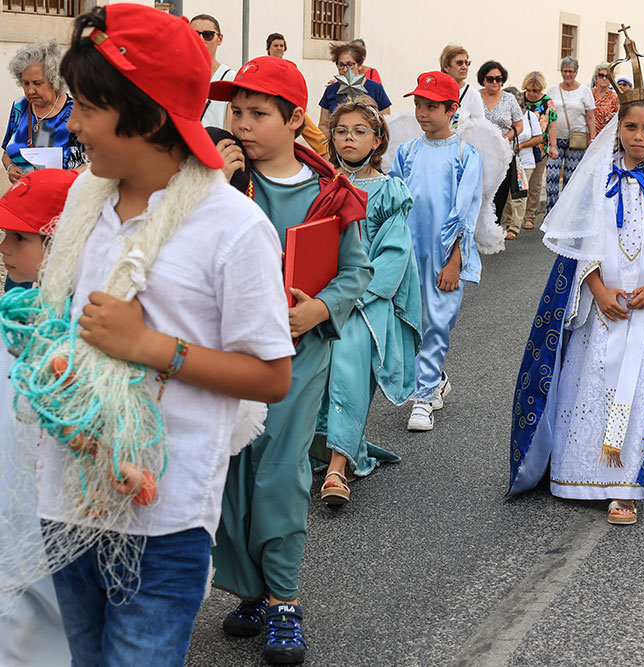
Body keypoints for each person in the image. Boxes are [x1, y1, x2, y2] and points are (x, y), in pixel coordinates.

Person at [14, 5, 295, 665]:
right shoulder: (88, 200)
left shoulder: (234, 226)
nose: (72, 123)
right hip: (69, 495)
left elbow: (271, 375)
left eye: (85, 106)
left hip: (161, 517)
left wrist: (147, 347)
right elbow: (71, 324)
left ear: (143, 113)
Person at [208, 56, 372, 665]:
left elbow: (357, 272)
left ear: (296, 118)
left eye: (258, 113)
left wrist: (320, 309)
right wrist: (215, 187)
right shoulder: (218, 182)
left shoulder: (331, 194)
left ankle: (283, 602)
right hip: (225, 352)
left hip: (297, 356)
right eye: (235, 112)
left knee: (278, 473)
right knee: (229, 471)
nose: (242, 125)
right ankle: (249, 588)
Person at [508, 91, 644, 525]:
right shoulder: (598, 176)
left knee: (637, 387)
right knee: (590, 381)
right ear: (617, 130)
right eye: (630, 127)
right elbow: (581, 236)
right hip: (601, 305)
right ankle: (575, 473)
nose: (639, 136)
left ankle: (625, 489)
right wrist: (595, 286)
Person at [311, 97, 420, 505]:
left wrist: (356, 294)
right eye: (341, 131)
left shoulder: (390, 190)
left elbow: (394, 253)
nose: (349, 138)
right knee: (311, 371)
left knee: (348, 366)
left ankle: (337, 467)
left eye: (359, 131)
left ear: (377, 139)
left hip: (365, 301)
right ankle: (322, 450)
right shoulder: (319, 182)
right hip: (319, 296)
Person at [0, 169, 77, 667]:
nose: (5, 247)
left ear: (58, 245)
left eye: (20, 237)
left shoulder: (83, 323)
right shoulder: (18, 310)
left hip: (60, 499)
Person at [388, 71, 483, 432]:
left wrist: (455, 260)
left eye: (431, 106)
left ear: (451, 109)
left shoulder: (464, 154)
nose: (422, 113)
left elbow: (466, 210)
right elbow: (395, 201)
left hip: (444, 255)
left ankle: (423, 397)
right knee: (410, 320)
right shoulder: (407, 152)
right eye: (418, 105)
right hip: (410, 251)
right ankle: (432, 381)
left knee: (438, 322)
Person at [3, 39, 85, 184]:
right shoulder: (19, 107)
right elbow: (6, 153)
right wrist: (10, 168)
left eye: (37, 83)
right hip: (26, 197)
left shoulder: (78, 111)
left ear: (55, 80)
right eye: (25, 83)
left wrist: (59, 181)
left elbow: (93, 164)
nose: (30, 90)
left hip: (64, 198)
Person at [546, 57, 596, 214]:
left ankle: (567, 215)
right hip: (555, 139)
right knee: (551, 178)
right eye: (565, 71)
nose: (567, 74)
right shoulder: (553, 90)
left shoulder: (584, 92)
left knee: (571, 179)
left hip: (577, 140)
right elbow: (547, 114)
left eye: (571, 71)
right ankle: (551, 213)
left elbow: (590, 116)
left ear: (576, 72)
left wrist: (592, 137)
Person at [318, 43, 391, 145]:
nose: (345, 70)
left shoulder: (376, 88)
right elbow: (323, 124)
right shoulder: (331, 90)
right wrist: (334, 144)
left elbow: (386, 121)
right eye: (341, 65)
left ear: (359, 65)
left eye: (350, 65)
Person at [479, 60, 523, 229]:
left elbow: (519, 125)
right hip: (479, 153)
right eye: (490, 79)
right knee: (480, 192)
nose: (495, 82)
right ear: (483, 79)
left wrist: (505, 139)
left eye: (499, 79)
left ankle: (493, 227)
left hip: (502, 154)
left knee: (499, 194)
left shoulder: (509, 99)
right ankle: (477, 228)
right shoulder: (475, 97)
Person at [501, 88, 542, 239]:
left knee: (519, 194)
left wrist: (522, 145)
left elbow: (539, 138)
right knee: (505, 195)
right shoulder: (502, 118)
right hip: (504, 160)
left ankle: (514, 228)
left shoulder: (529, 116)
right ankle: (506, 223)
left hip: (524, 162)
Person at [522, 71, 558, 229]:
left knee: (535, 183)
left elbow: (552, 125)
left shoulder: (547, 102)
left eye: (535, 91)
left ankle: (529, 216)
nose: (531, 94)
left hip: (540, 149)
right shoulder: (520, 99)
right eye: (528, 90)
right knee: (520, 183)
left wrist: (554, 146)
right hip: (521, 148)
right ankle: (515, 217)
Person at [192, 14, 237, 129]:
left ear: (220, 39)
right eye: (194, 34)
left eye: (208, 35)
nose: (201, 39)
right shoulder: (177, 77)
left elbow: (231, 130)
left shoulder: (231, 78)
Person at [440, 44, 486, 128]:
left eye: (467, 63)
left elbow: (480, 127)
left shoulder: (473, 94)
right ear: (446, 67)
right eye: (459, 63)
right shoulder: (436, 89)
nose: (464, 67)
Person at [591, 61, 619, 135]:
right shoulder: (589, 94)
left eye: (607, 76)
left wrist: (613, 117)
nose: (604, 78)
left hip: (606, 137)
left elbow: (619, 119)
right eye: (601, 75)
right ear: (596, 77)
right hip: (587, 137)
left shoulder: (615, 97)